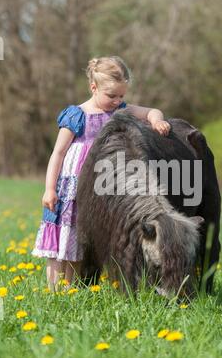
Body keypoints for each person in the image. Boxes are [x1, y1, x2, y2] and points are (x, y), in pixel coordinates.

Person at [32, 56, 171, 290]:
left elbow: (151, 111)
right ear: (93, 87)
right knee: (61, 240)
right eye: (111, 96)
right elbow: (57, 153)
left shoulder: (120, 111)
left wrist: (157, 121)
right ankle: (53, 293)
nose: (117, 101)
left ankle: (70, 290)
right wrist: (49, 189)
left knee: (79, 240)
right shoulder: (77, 115)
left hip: (100, 188)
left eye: (121, 96)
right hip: (71, 188)